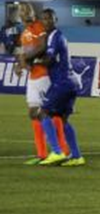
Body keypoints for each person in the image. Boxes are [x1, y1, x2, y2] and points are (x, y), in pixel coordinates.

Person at [24, 9, 85, 166]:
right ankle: (77, 156)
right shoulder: (59, 36)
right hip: (72, 83)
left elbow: (50, 59)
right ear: (41, 21)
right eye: (44, 19)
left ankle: (57, 152)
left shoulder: (54, 37)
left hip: (62, 83)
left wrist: (33, 62)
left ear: (55, 19)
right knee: (63, 120)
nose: (47, 21)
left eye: (50, 18)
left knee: (43, 113)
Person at [15, 3, 67, 165]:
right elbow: (25, 53)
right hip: (33, 76)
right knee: (33, 113)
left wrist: (26, 59)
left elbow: (43, 47)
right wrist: (20, 63)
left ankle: (61, 150)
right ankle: (42, 154)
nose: (26, 13)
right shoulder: (24, 33)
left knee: (48, 113)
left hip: (44, 75)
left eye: (28, 10)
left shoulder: (39, 26)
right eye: (22, 11)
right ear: (19, 15)